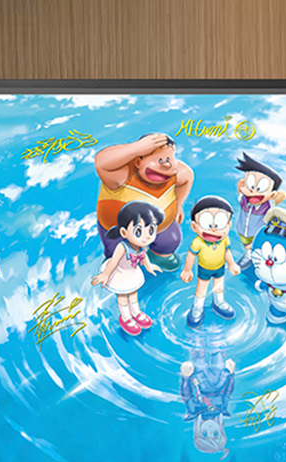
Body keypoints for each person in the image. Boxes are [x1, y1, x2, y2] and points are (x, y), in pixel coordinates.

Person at [94, 132, 193, 269]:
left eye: (169, 158)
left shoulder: (177, 173)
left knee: (170, 241)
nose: (166, 165)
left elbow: (187, 179)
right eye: (159, 160)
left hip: (160, 226)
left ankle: (160, 256)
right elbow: (101, 163)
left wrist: (177, 204)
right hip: (119, 230)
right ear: (138, 162)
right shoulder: (122, 175)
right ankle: (120, 264)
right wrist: (136, 148)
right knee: (117, 253)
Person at [91, 201, 165, 335]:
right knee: (123, 296)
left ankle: (136, 312)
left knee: (133, 293)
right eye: (139, 231)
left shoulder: (142, 245)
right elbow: (114, 262)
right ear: (124, 232)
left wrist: (149, 266)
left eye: (151, 230)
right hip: (120, 273)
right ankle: (125, 317)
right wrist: (105, 275)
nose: (147, 236)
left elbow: (143, 255)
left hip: (132, 272)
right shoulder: (122, 247)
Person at [180, 197, 241, 328]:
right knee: (201, 289)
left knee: (219, 287)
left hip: (220, 268)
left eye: (220, 222)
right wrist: (187, 270)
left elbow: (227, 251)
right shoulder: (198, 242)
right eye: (206, 222)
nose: (213, 228)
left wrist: (231, 264)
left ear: (228, 225)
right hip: (204, 269)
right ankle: (198, 307)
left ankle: (219, 302)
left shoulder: (224, 240)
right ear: (194, 226)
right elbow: (191, 255)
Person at [234, 152, 286, 260]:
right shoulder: (244, 200)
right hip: (242, 230)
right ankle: (248, 254)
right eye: (250, 185)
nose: (253, 191)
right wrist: (243, 186)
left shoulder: (267, 205)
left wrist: (272, 196)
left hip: (258, 232)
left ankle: (256, 256)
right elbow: (240, 187)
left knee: (258, 245)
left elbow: (282, 195)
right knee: (246, 244)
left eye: (260, 188)